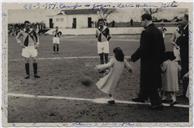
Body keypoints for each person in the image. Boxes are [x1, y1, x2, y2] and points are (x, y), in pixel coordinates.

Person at [130, 14, 165, 109]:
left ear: (145, 20)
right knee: (148, 79)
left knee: (149, 80)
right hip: (156, 60)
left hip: (148, 60)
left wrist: (133, 57)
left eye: (141, 21)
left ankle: (156, 103)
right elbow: (162, 48)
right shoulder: (158, 31)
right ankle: (142, 96)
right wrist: (161, 61)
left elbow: (143, 49)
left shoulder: (146, 32)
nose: (141, 23)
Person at [176, 14, 189, 98]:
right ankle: (184, 93)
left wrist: (179, 38)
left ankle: (187, 92)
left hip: (187, 56)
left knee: (187, 72)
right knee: (184, 72)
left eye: (183, 19)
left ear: (187, 20)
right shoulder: (184, 29)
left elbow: (181, 40)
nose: (181, 20)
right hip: (184, 55)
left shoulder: (189, 29)